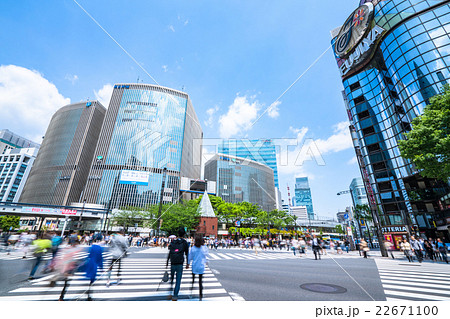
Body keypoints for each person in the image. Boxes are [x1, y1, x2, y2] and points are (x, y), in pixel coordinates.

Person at [166, 227, 190, 301]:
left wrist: (167, 261)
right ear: (184, 234)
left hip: (172, 262)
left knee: (172, 279)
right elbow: (187, 253)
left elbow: (169, 251)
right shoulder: (184, 242)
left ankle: (170, 292)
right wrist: (187, 263)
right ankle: (175, 295)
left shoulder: (174, 241)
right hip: (180, 263)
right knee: (178, 280)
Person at [188, 234, 209, 300]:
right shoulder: (203, 248)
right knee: (200, 282)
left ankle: (191, 293)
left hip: (194, 265)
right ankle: (200, 295)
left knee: (193, 280)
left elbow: (190, 257)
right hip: (201, 266)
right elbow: (206, 255)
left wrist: (188, 264)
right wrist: (206, 262)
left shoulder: (193, 248)